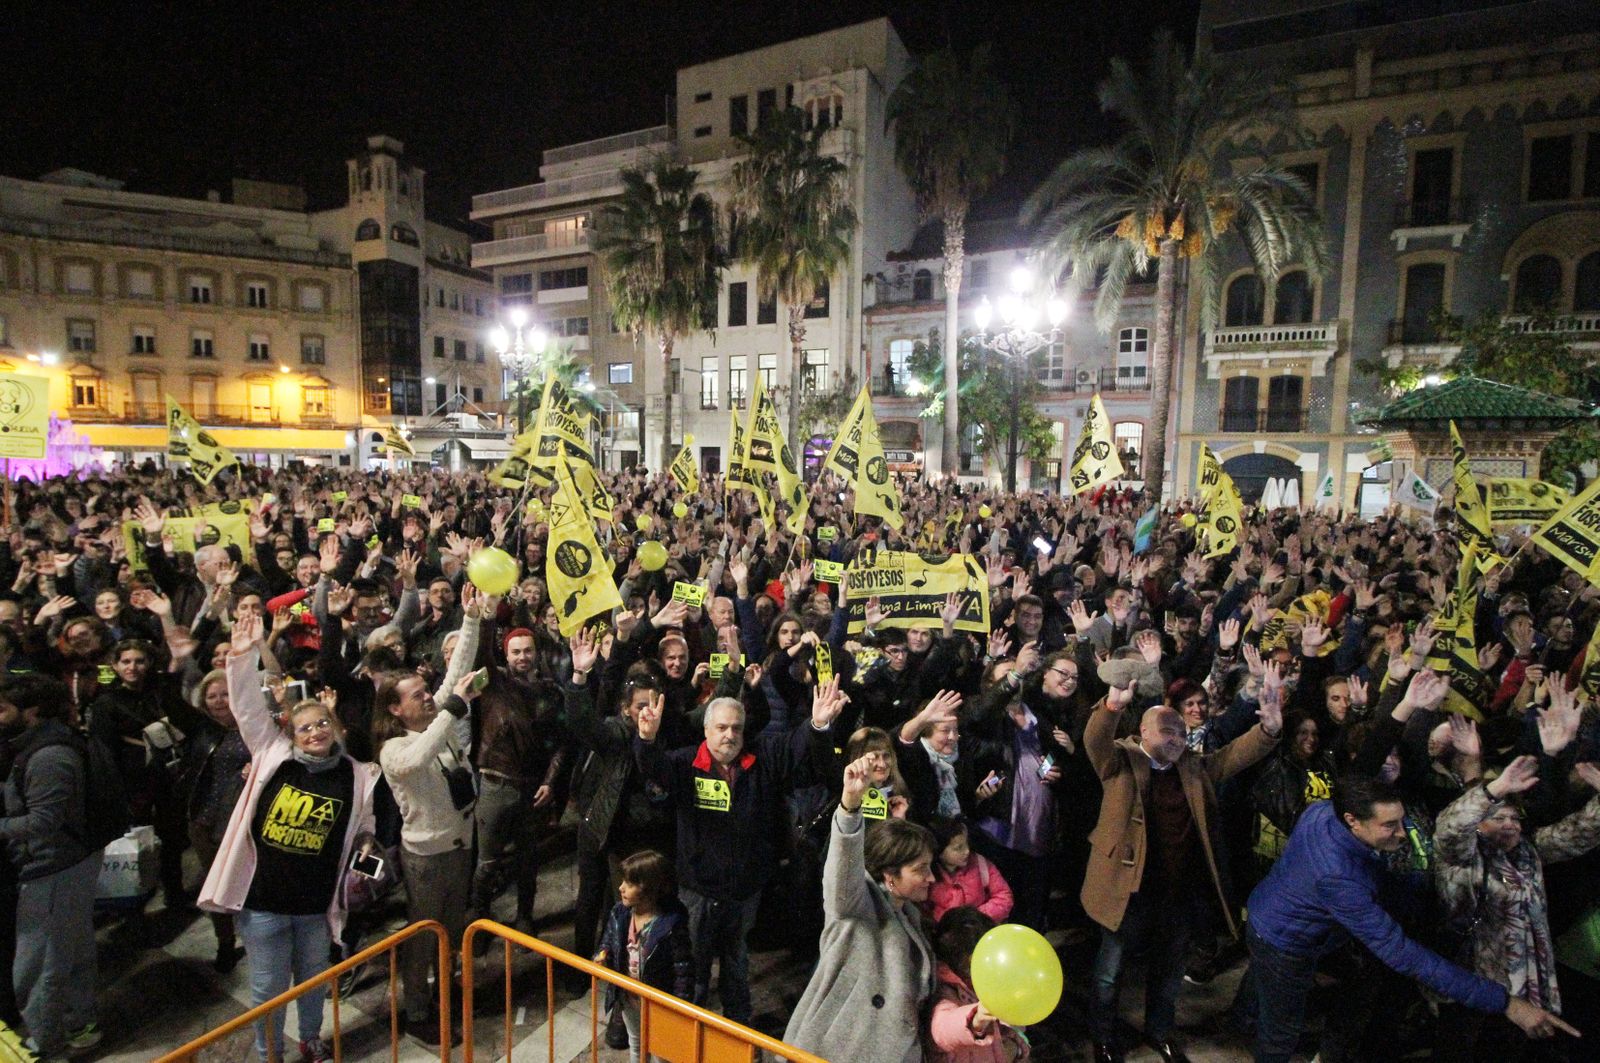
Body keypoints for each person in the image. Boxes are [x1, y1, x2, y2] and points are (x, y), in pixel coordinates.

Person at [1245, 775, 1579, 1063]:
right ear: (1353, 820)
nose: (1403, 833)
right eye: (1389, 825)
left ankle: (1241, 1019)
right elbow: (1403, 954)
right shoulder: (1338, 878)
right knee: (1282, 1029)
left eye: (1401, 820)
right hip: (1285, 942)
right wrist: (1506, 1003)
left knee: (1277, 993)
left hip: (1273, 909)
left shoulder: (1323, 812)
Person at [198, 614, 382, 1063]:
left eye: (322, 725)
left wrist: (365, 846)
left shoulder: (354, 775)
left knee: (315, 979)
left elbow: (364, 825)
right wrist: (242, 656)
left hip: (315, 904)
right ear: (291, 734)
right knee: (267, 986)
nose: (316, 732)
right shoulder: (272, 754)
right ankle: (269, 1053)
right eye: (306, 727)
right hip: (264, 901)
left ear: (334, 727)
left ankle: (312, 1040)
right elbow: (245, 706)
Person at [1083, 667, 1283, 1063]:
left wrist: (1269, 731)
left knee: (1169, 973)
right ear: (1143, 732)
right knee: (1109, 974)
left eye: (1180, 733)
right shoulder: (1120, 761)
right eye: (1167, 732)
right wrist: (1110, 707)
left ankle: (1159, 1031)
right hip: (1127, 892)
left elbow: (1231, 757)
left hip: (1177, 892)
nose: (1176, 739)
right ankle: (1103, 1037)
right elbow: (1095, 739)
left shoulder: (1193, 768)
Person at [634, 682, 839, 1025]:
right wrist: (647, 740)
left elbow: (794, 747)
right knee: (693, 965)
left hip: (745, 889)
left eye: (736, 728)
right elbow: (654, 769)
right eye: (721, 728)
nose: (729, 735)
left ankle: (737, 1026)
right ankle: (689, 1024)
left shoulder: (762, 760)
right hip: (698, 890)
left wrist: (816, 725)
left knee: (736, 960)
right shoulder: (686, 763)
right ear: (706, 730)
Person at [1432, 748, 1600, 1060]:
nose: (1510, 824)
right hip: (1475, 992)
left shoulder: (1528, 853)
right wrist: (1493, 790)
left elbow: (1578, 833)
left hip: (1527, 990)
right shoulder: (1460, 860)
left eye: (1514, 817)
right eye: (1498, 818)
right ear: (1479, 825)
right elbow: (1450, 827)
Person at [784, 752, 938, 1063]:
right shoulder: (855, 906)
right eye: (921, 869)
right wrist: (850, 807)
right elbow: (843, 867)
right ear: (890, 875)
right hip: (840, 1051)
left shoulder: (907, 914)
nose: (931, 878)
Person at [0, 674, 103, 1059]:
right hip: (64, 865)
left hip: (55, 868)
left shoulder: (49, 755)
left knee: (38, 962)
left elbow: (43, 821)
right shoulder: (37, 746)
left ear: (31, 712)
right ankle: (82, 1024)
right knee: (72, 951)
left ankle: (42, 1044)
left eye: (3, 709)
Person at [598, 850, 693, 1063]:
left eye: (629, 884)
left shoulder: (671, 924)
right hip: (629, 997)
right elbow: (608, 939)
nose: (621, 887)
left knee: (661, 1050)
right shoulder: (619, 913)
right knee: (636, 1041)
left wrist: (680, 1006)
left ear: (650, 889)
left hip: (660, 1001)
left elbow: (683, 968)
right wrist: (603, 954)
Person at [928, 906, 1030, 1062]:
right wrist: (974, 1020)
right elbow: (942, 1029)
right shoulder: (944, 991)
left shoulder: (985, 984)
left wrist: (1017, 1048)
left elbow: (1005, 1029)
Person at [926, 816, 1013, 925]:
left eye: (967, 843)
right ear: (939, 852)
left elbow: (1004, 896)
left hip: (982, 928)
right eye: (958, 848)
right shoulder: (928, 878)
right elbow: (925, 910)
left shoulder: (981, 864)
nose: (967, 851)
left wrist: (974, 918)